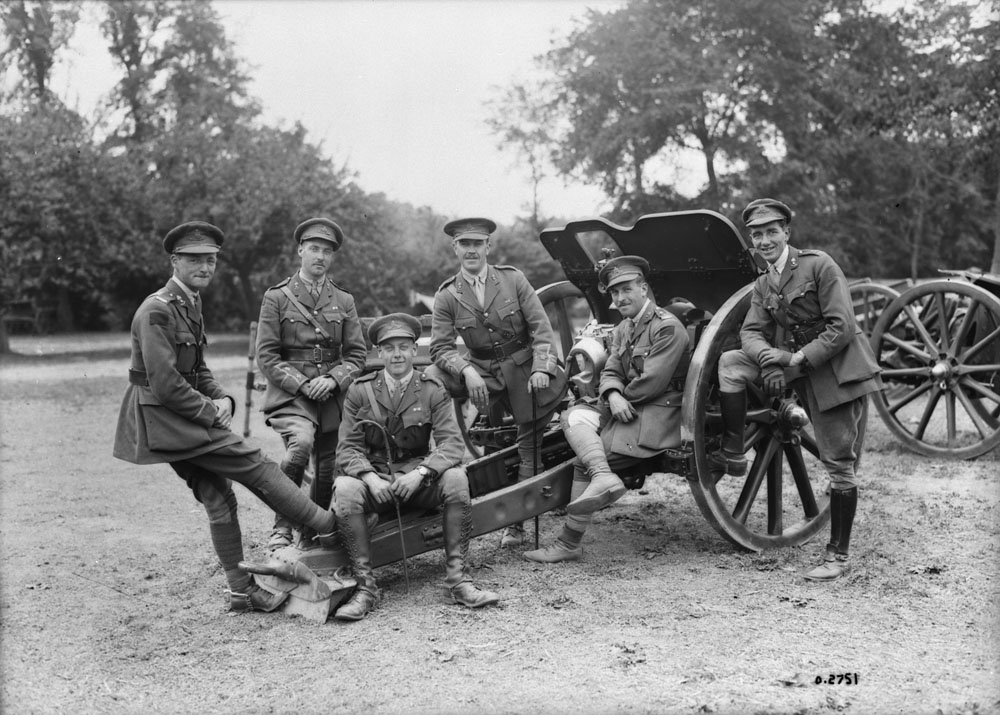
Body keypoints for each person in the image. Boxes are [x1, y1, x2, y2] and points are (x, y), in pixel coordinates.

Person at [113, 221, 340, 613]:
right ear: (175, 261)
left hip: (176, 419)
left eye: (211, 260)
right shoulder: (157, 311)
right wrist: (209, 414)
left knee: (218, 498)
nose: (204, 267)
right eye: (195, 260)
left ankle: (240, 591)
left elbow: (196, 369)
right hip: (166, 422)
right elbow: (165, 384)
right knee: (256, 465)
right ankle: (332, 529)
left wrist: (222, 398)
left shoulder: (190, 302)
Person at [714, 198, 882, 581]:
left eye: (772, 232)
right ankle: (732, 447)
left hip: (836, 369)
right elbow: (750, 332)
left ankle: (838, 556)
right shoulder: (763, 282)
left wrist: (792, 361)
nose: (765, 240)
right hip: (794, 363)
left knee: (839, 463)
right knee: (731, 364)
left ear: (786, 232)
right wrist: (771, 360)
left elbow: (841, 327)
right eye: (757, 235)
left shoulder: (818, 265)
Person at [331, 313, 500, 621]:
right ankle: (366, 588)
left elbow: (451, 444)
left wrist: (421, 473)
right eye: (389, 348)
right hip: (378, 481)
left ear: (413, 350)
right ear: (379, 353)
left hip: (419, 479)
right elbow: (348, 448)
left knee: (457, 478)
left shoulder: (432, 388)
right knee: (345, 488)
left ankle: (458, 580)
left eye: (404, 347)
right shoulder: (359, 390)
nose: (397, 354)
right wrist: (370, 478)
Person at [524, 256, 690, 563]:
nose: (620, 298)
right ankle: (603, 476)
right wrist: (612, 393)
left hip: (654, 413)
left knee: (580, 464)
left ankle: (569, 542)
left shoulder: (668, 328)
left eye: (627, 289)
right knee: (572, 415)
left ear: (644, 288)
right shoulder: (624, 328)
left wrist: (616, 397)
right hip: (622, 405)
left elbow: (651, 383)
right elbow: (611, 370)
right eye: (615, 293)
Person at [429, 217, 568, 549]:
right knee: (432, 380)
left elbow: (541, 328)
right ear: (455, 248)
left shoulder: (513, 280)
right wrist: (466, 370)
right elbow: (439, 347)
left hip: (524, 371)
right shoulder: (448, 295)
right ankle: (438, 458)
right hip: (482, 373)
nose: (471, 250)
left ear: (489, 246)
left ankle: (517, 525)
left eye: (478, 244)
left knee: (528, 449)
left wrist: (541, 368)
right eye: (465, 244)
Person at [255, 217, 367, 550]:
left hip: (331, 396)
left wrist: (333, 380)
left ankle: (313, 529)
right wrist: (305, 385)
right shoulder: (277, 297)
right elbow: (268, 356)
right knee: (301, 444)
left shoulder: (344, 300)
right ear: (300, 250)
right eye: (314, 249)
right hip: (293, 395)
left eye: (326, 252)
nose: (320, 256)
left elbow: (357, 355)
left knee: (328, 463)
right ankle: (282, 525)